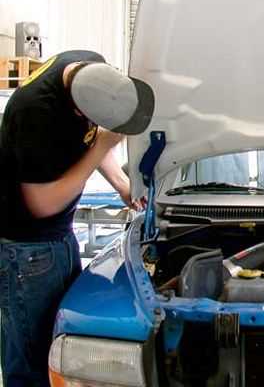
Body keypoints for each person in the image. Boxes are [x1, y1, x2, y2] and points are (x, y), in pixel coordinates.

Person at [0, 50, 154, 385]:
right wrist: (101, 147)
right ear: (77, 109)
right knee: (34, 363)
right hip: (27, 252)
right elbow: (42, 203)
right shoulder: (33, 114)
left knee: (60, 352)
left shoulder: (87, 65)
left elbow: (86, 143)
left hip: (58, 238)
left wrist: (121, 184)